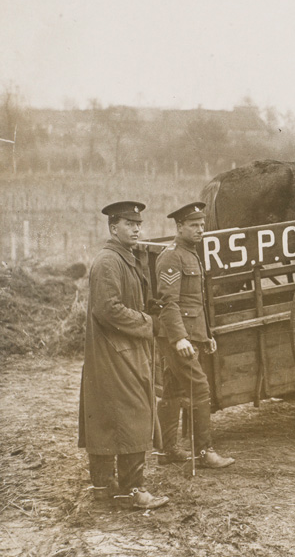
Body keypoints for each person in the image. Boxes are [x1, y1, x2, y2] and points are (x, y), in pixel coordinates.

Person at [78, 201, 169, 509]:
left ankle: (103, 488)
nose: (137, 229)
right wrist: (148, 322)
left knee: (106, 417)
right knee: (133, 414)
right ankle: (133, 491)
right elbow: (107, 309)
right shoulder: (108, 261)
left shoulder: (123, 258)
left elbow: (122, 300)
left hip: (118, 351)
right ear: (113, 227)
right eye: (129, 224)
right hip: (115, 353)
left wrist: (147, 306)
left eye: (138, 224)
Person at [155, 201, 234, 469]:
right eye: (194, 225)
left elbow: (196, 301)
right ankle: (204, 453)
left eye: (202, 225)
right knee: (200, 388)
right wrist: (179, 339)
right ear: (179, 227)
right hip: (178, 338)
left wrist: (205, 334)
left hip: (190, 334)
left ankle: (167, 451)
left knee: (173, 390)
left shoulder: (191, 253)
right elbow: (169, 302)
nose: (200, 230)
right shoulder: (171, 256)